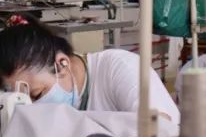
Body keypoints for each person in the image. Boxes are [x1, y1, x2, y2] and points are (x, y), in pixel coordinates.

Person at [0, 14, 179, 128]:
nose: (33, 107)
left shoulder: (120, 68)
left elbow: (160, 127)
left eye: (37, 94)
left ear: (61, 64)